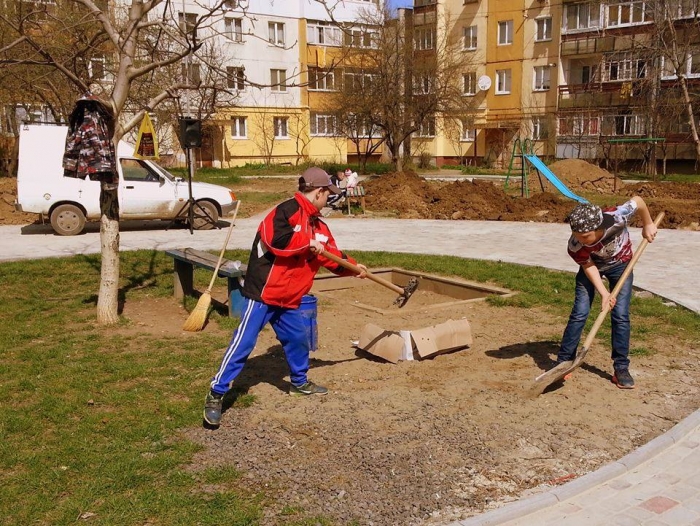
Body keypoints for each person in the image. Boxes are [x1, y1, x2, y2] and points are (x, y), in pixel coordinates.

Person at [203, 167, 367, 427]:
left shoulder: (320, 226)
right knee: (244, 343)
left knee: (298, 338)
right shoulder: (285, 211)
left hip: (291, 297)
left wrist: (354, 268)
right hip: (264, 293)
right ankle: (217, 393)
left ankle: (299, 383)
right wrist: (307, 242)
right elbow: (276, 241)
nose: (329, 200)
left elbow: (331, 256)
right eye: (328, 194)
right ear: (319, 192)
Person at [557, 196, 657, 389]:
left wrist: (648, 223)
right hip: (593, 269)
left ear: (599, 227)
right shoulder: (575, 246)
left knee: (620, 315)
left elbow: (639, 200)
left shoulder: (619, 217)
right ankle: (564, 361)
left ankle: (621, 368)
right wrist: (604, 293)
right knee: (580, 313)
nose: (580, 240)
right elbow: (589, 266)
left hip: (621, 267)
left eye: (585, 236)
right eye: (576, 235)